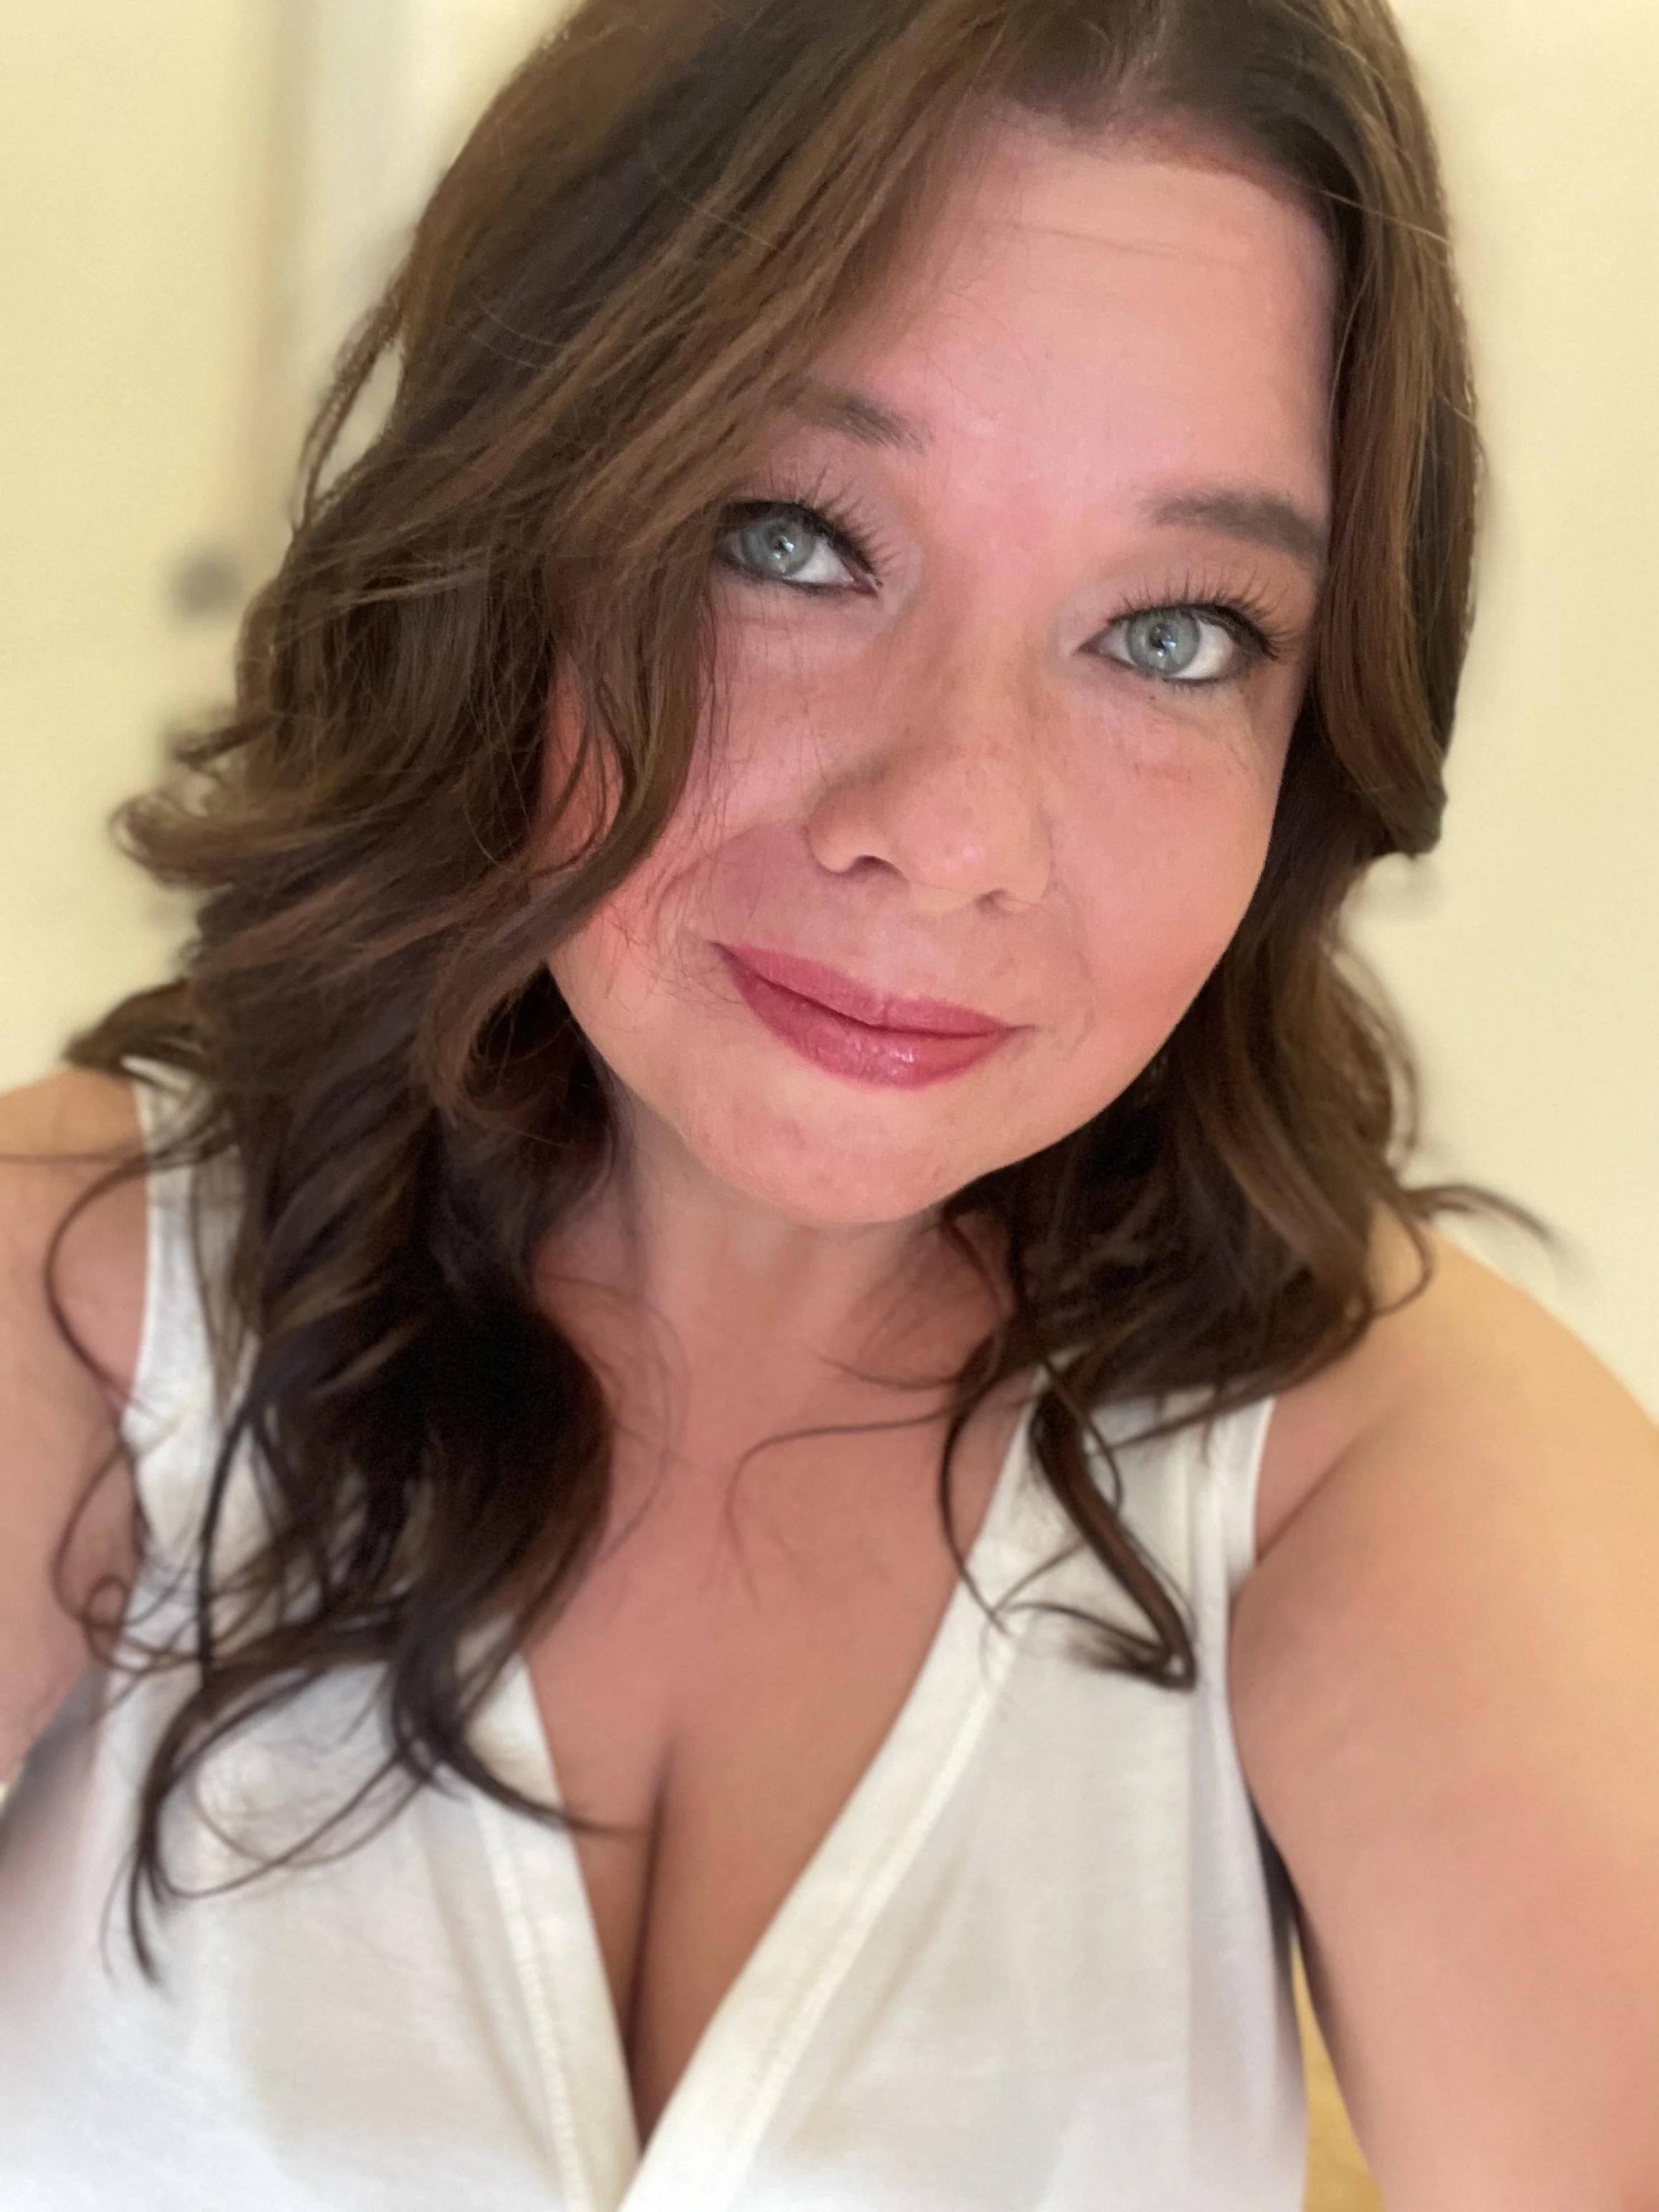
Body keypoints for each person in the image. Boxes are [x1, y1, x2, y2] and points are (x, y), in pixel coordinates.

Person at [1, 0, 1654, 2204]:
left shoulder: (1393, 1472)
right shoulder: (80, 1309)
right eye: (785, 535)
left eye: (1172, 634)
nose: (951, 824)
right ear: (506, 540)